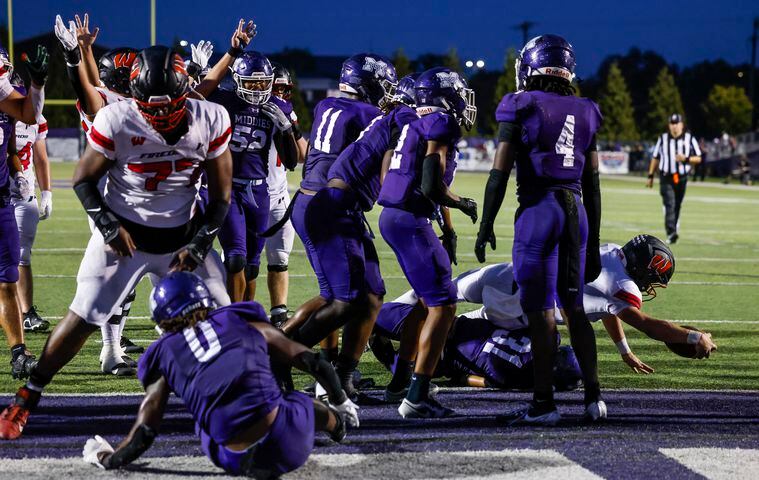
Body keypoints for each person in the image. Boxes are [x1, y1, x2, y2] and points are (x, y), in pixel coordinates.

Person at [0, 46, 234, 440]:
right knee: (82, 317)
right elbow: (82, 179)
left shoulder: (210, 117)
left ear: (187, 93)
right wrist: (108, 227)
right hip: (124, 236)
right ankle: (28, 394)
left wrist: (199, 244)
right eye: (150, 106)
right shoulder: (117, 117)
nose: (159, 115)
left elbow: (221, 197)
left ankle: (234, 399)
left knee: (224, 320)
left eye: (169, 106)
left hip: (182, 238)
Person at [78, 272, 358, 477]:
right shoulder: (238, 318)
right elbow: (315, 363)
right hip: (289, 442)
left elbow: (145, 432)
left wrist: (108, 458)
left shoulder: (162, 354)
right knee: (297, 401)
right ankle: (338, 426)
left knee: (206, 422)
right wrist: (341, 399)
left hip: (233, 458)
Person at [475, 34, 604, 425]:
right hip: (576, 212)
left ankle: (544, 404)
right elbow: (593, 185)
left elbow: (498, 174)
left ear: (532, 66)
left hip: (538, 212)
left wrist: (486, 224)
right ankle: (594, 399)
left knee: (542, 313)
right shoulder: (588, 110)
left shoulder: (521, 103)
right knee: (575, 309)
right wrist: (593, 240)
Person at [284, 71, 422, 402]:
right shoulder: (374, 115)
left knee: (368, 294)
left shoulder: (326, 105)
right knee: (344, 298)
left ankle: (338, 375)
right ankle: (279, 355)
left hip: (314, 198)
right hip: (330, 203)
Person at [377, 66, 478, 418]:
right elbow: (432, 185)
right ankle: (416, 395)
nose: (464, 102)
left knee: (426, 300)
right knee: (445, 305)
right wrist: (463, 204)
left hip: (394, 216)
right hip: (409, 218)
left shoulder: (411, 121)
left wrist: (446, 228)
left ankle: (399, 382)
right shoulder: (442, 123)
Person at [370, 263, 583, 393]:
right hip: (444, 361)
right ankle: (372, 347)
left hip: (449, 327)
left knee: (369, 314)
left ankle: (347, 359)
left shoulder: (547, 338)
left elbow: (513, 323)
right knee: (399, 366)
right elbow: (477, 380)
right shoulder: (518, 379)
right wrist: (458, 377)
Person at [210, 51, 299, 303]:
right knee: (236, 257)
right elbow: (197, 95)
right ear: (238, 80)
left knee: (251, 264)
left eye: (263, 82)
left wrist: (286, 129)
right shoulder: (224, 100)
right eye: (251, 82)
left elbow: (291, 161)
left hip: (260, 191)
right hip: (231, 188)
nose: (258, 88)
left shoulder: (278, 107)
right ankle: (233, 314)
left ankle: (246, 315)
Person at [0, 44, 47, 380]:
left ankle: (18, 352)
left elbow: (28, 114)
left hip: (1, 196)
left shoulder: (3, 93)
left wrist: (38, 83)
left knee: (6, 279)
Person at [264, 62, 308, 327]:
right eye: (276, 88)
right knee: (240, 262)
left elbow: (302, 155)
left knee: (279, 259)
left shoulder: (286, 114)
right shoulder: (246, 113)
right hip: (250, 196)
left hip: (278, 195)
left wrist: (291, 126)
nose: (280, 94)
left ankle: (279, 313)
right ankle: (236, 312)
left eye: (284, 89)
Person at [8, 74, 52, 333]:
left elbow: (41, 158)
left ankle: (27, 312)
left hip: (23, 195)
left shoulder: (35, 117)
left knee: (22, 255)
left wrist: (47, 192)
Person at [645, 113, 702, 244]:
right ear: (669, 125)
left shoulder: (689, 138)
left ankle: (673, 230)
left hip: (682, 177)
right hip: (666, 177)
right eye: (672, 123)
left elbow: (699, 157)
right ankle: (671, 232)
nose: (674, 126)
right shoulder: (663, 138)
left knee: (677, 205)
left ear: (682, 124)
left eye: (677, 123)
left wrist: (686, 159)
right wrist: (650, 175)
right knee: (670, 203)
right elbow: (655, 157)